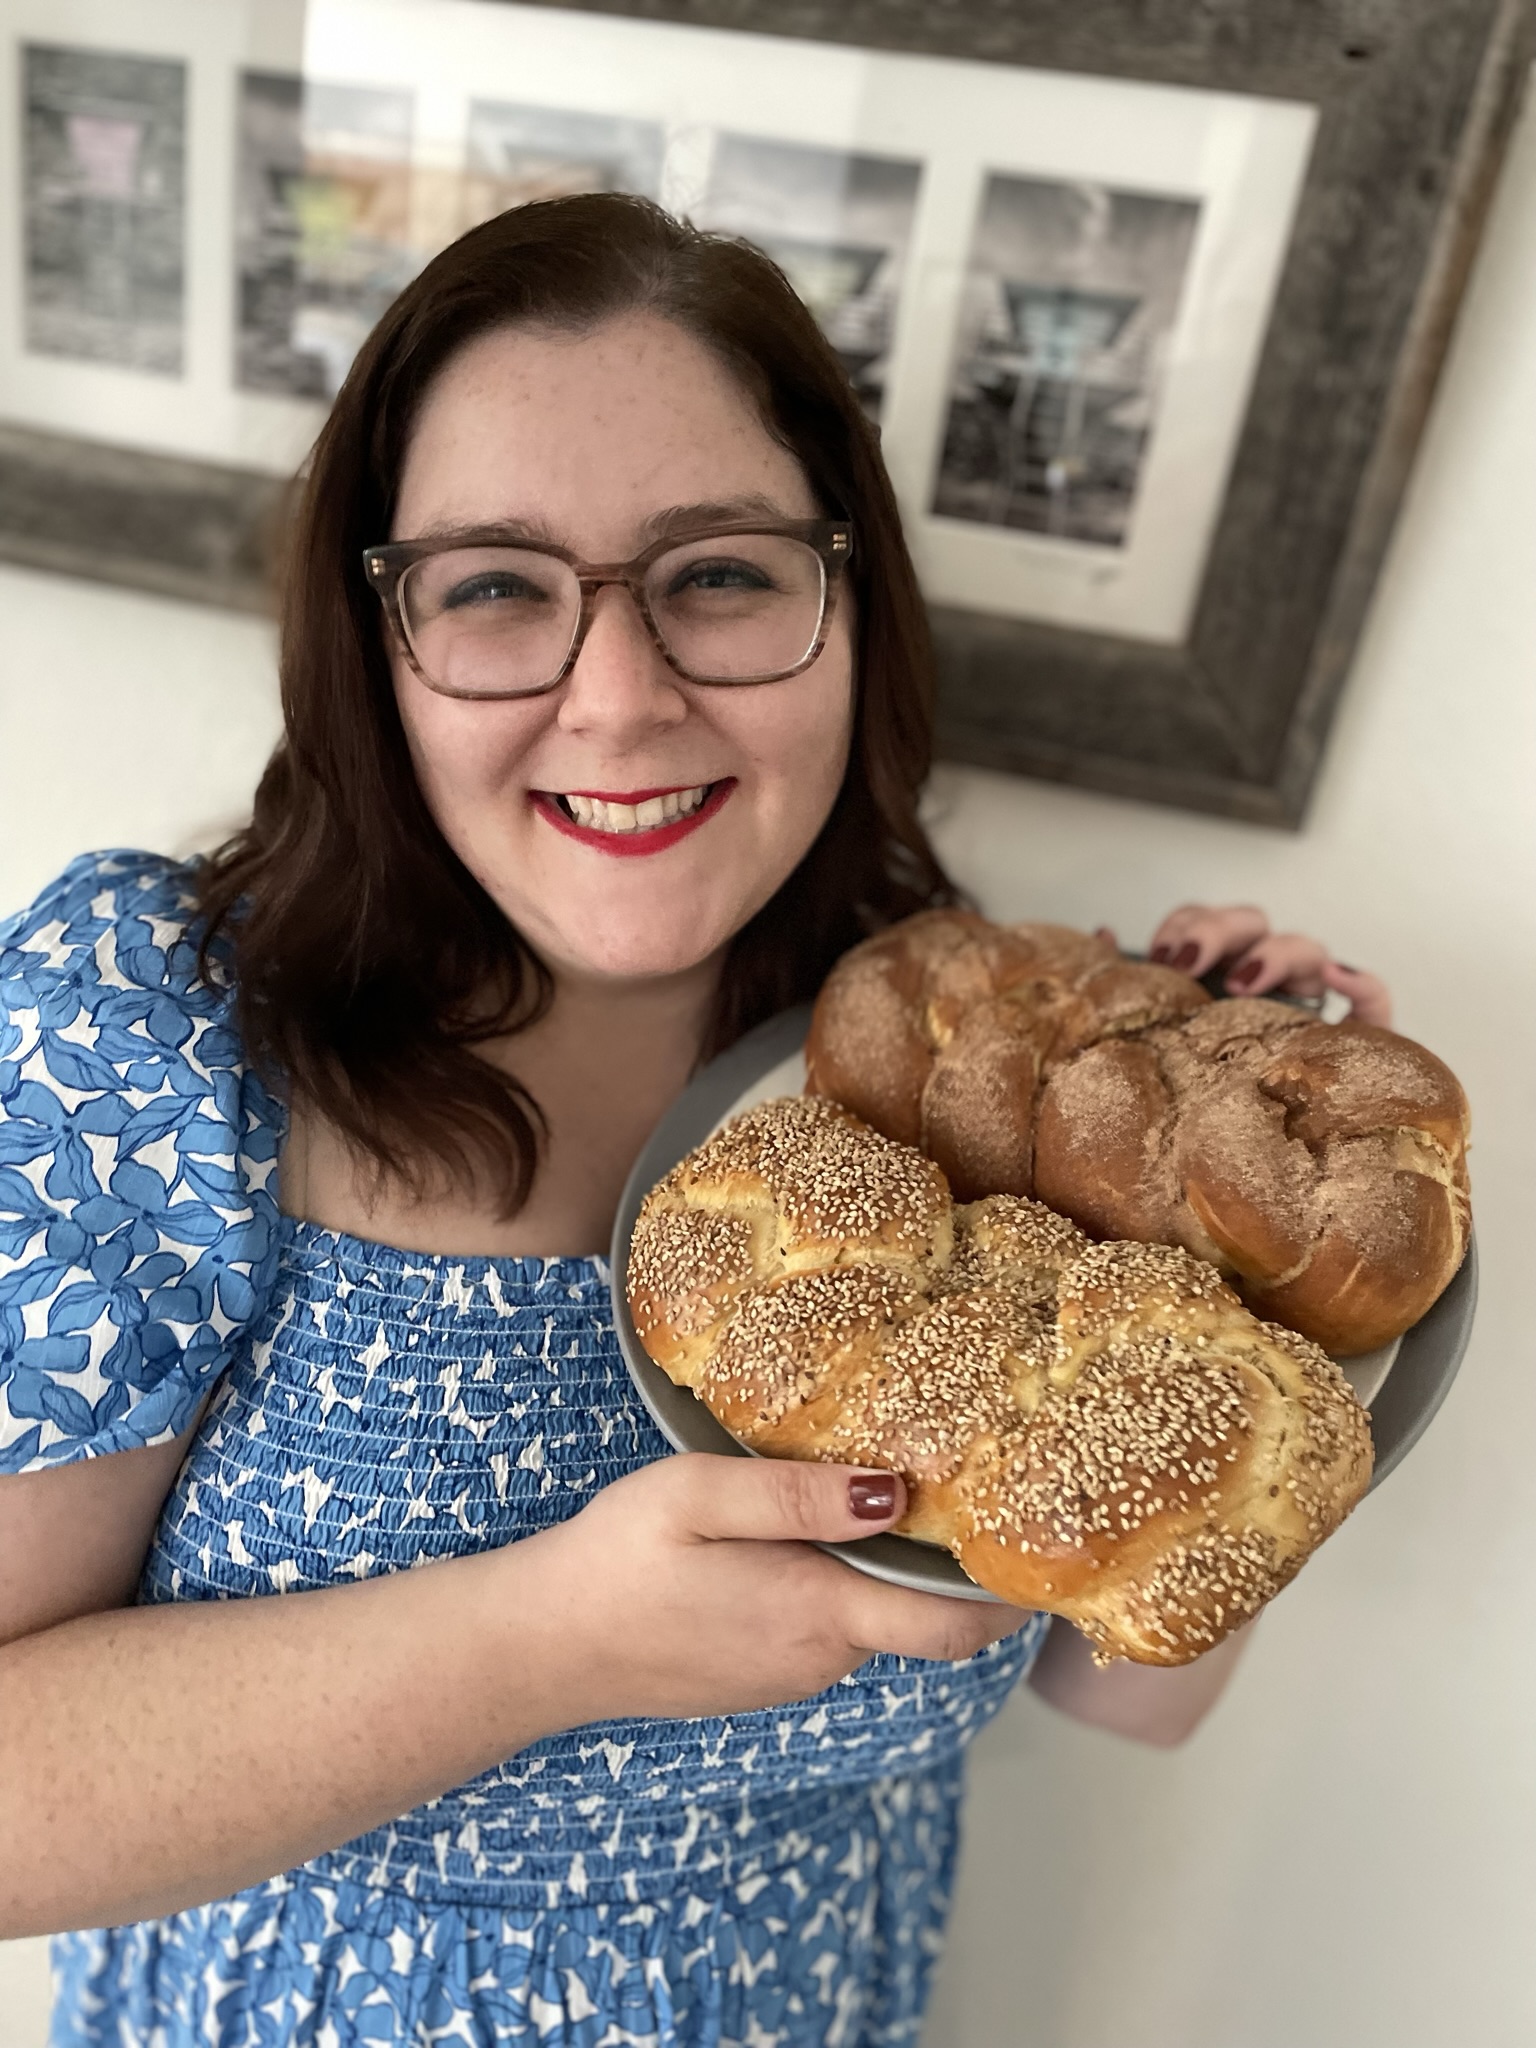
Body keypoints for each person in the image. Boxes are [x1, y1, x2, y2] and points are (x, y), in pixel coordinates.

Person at [0, 196, 1392, 2047]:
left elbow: (1121, 1688)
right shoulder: (151, 1022)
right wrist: (548, 1641)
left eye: (718, 573)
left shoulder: (948, 1060)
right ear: (377, 640)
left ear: (848, 602)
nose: (621, 700)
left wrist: (1267, 1283)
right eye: (495, 586)